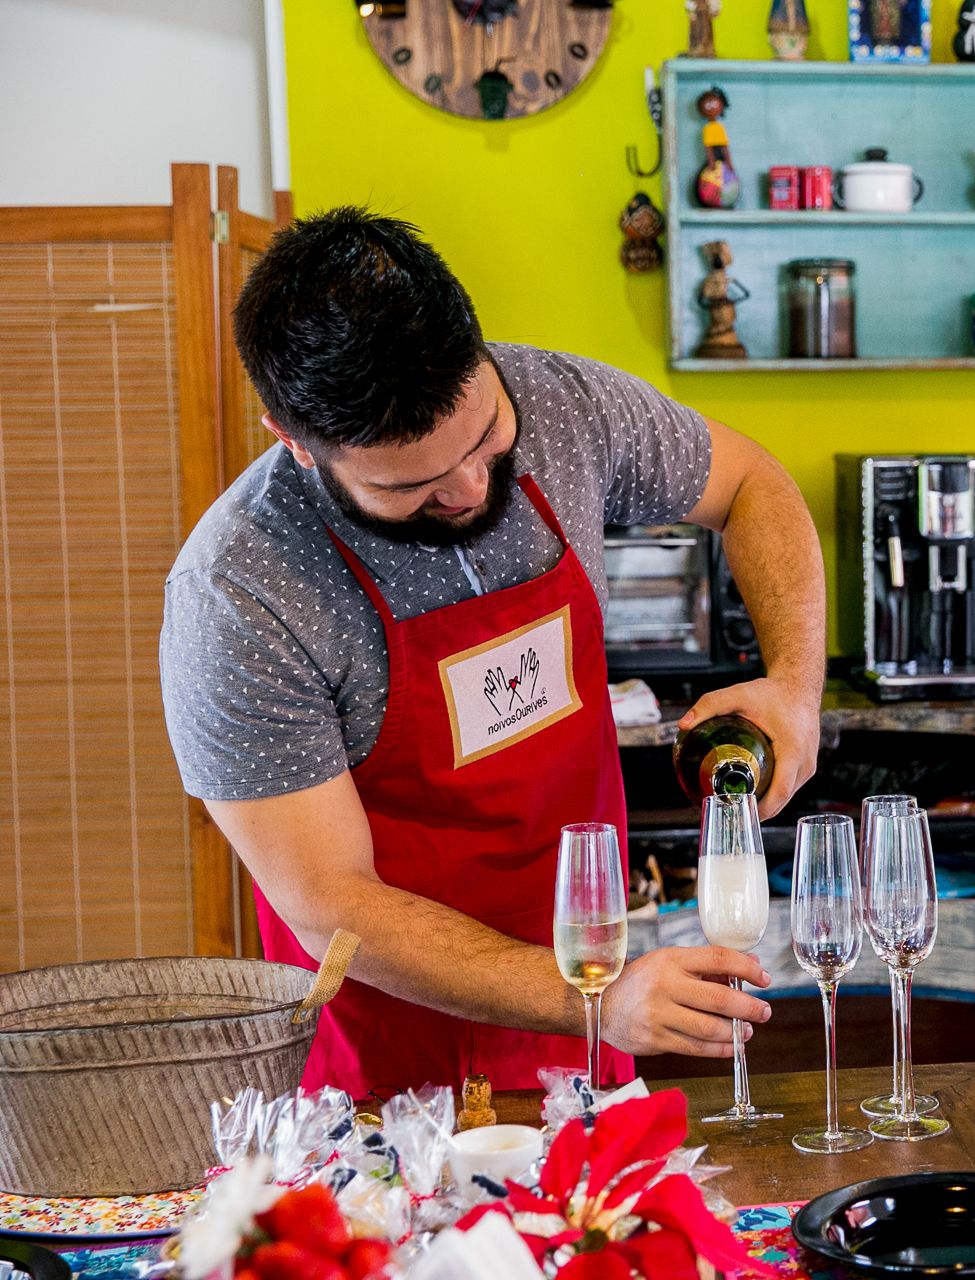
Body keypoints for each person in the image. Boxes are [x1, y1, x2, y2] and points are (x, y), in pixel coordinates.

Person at [160, 208, 827, 1098]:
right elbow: (330, 904)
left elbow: (752, 482)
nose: (473, 488)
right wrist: (594, 998)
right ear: (296, 443)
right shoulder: (241, 591)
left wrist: (793, 684)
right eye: (414, 484)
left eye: (484, 437)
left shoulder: (562, 405)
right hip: (386, 1075)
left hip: (589, 991)